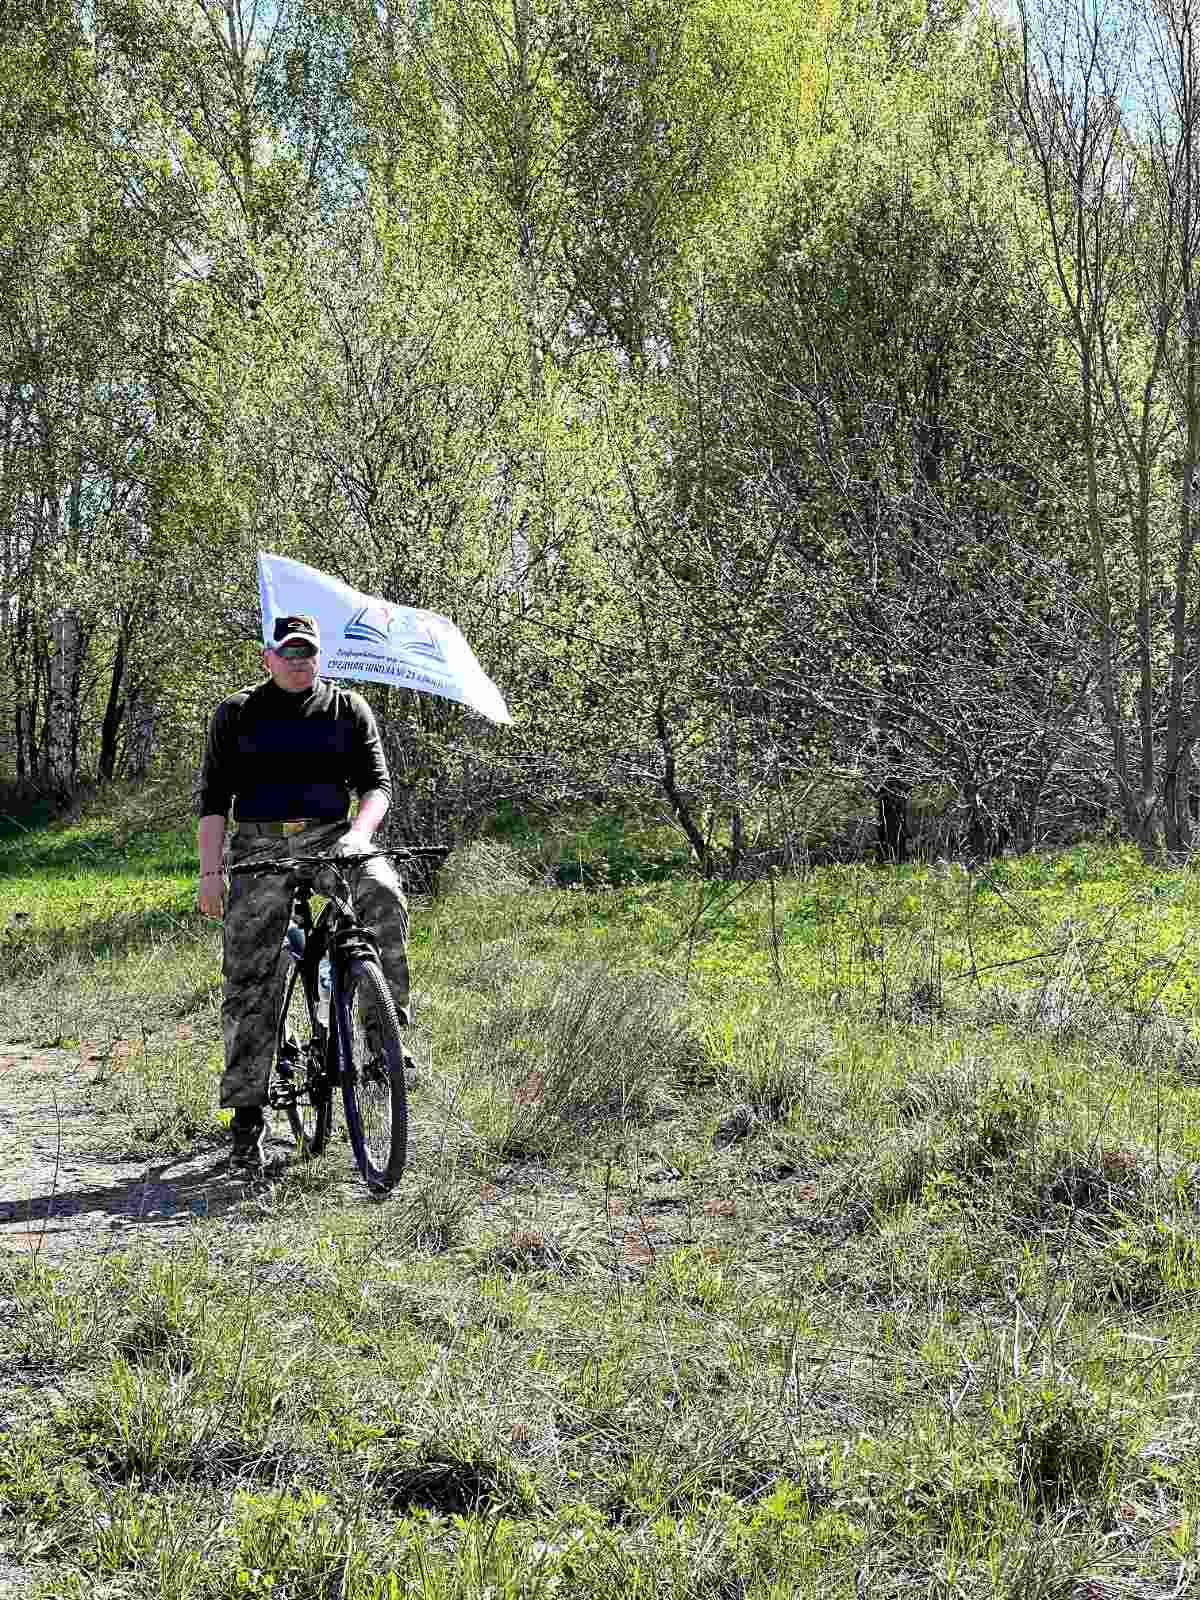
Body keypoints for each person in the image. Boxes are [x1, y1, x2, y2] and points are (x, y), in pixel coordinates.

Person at [196, 612, 410, 1175]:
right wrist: (210, 873)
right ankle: (247, 1115)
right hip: (259, 844)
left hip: (332, 837)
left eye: (308, 652)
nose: (299, 661)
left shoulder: (347, 708)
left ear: (320, 656)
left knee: (383, 892)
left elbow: (377, 785)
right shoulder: (236, 713)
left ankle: (385, 1044)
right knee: (250, 976)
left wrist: (359, 835)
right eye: (288, 652)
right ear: (268, 657)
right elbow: (214, 801)